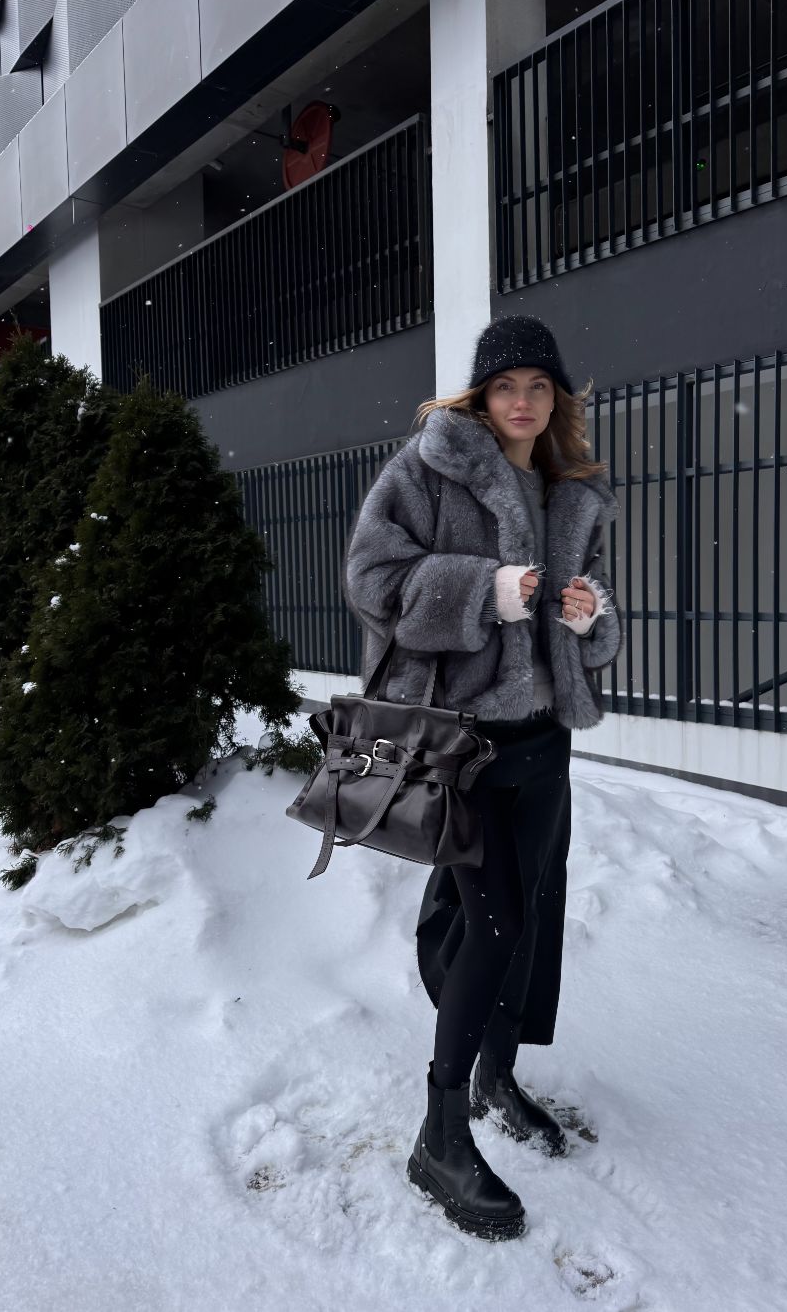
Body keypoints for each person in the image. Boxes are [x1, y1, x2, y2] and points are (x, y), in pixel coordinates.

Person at [343, 314, 622, 1241]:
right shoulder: (427, 470)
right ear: (480, 394)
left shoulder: (571, 487)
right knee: (492, 919)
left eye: (540, 387)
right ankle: (439, 1131)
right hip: (462, 744)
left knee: (526, 917)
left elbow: (597, 621)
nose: (523, 402)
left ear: (557, 399)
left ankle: (497, 1075)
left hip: (544, 740)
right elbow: (372, 580)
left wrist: (587, 619)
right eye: (507, 386)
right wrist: (481, 591)